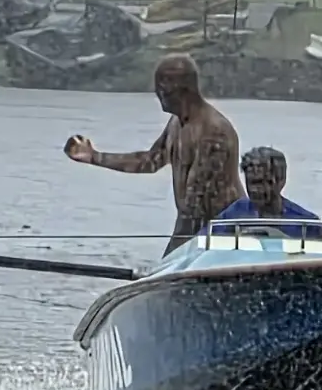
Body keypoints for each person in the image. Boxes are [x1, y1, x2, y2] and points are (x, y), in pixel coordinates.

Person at [63, 52, 242, 249]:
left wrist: (170, 259)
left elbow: (194, 205)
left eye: (162, 89)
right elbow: (150, 161)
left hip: (226, 232)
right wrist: (94, 156)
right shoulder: (177, 122)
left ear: (183, 90)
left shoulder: (213, 131)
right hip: (199, 233)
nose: (158, 95)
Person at [204, 145, 322, 236]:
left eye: (262, 182)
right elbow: (202, 243)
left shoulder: (306, 224)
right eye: (251, 182)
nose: (255, 190)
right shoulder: (233, 215)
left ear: (281, 181)